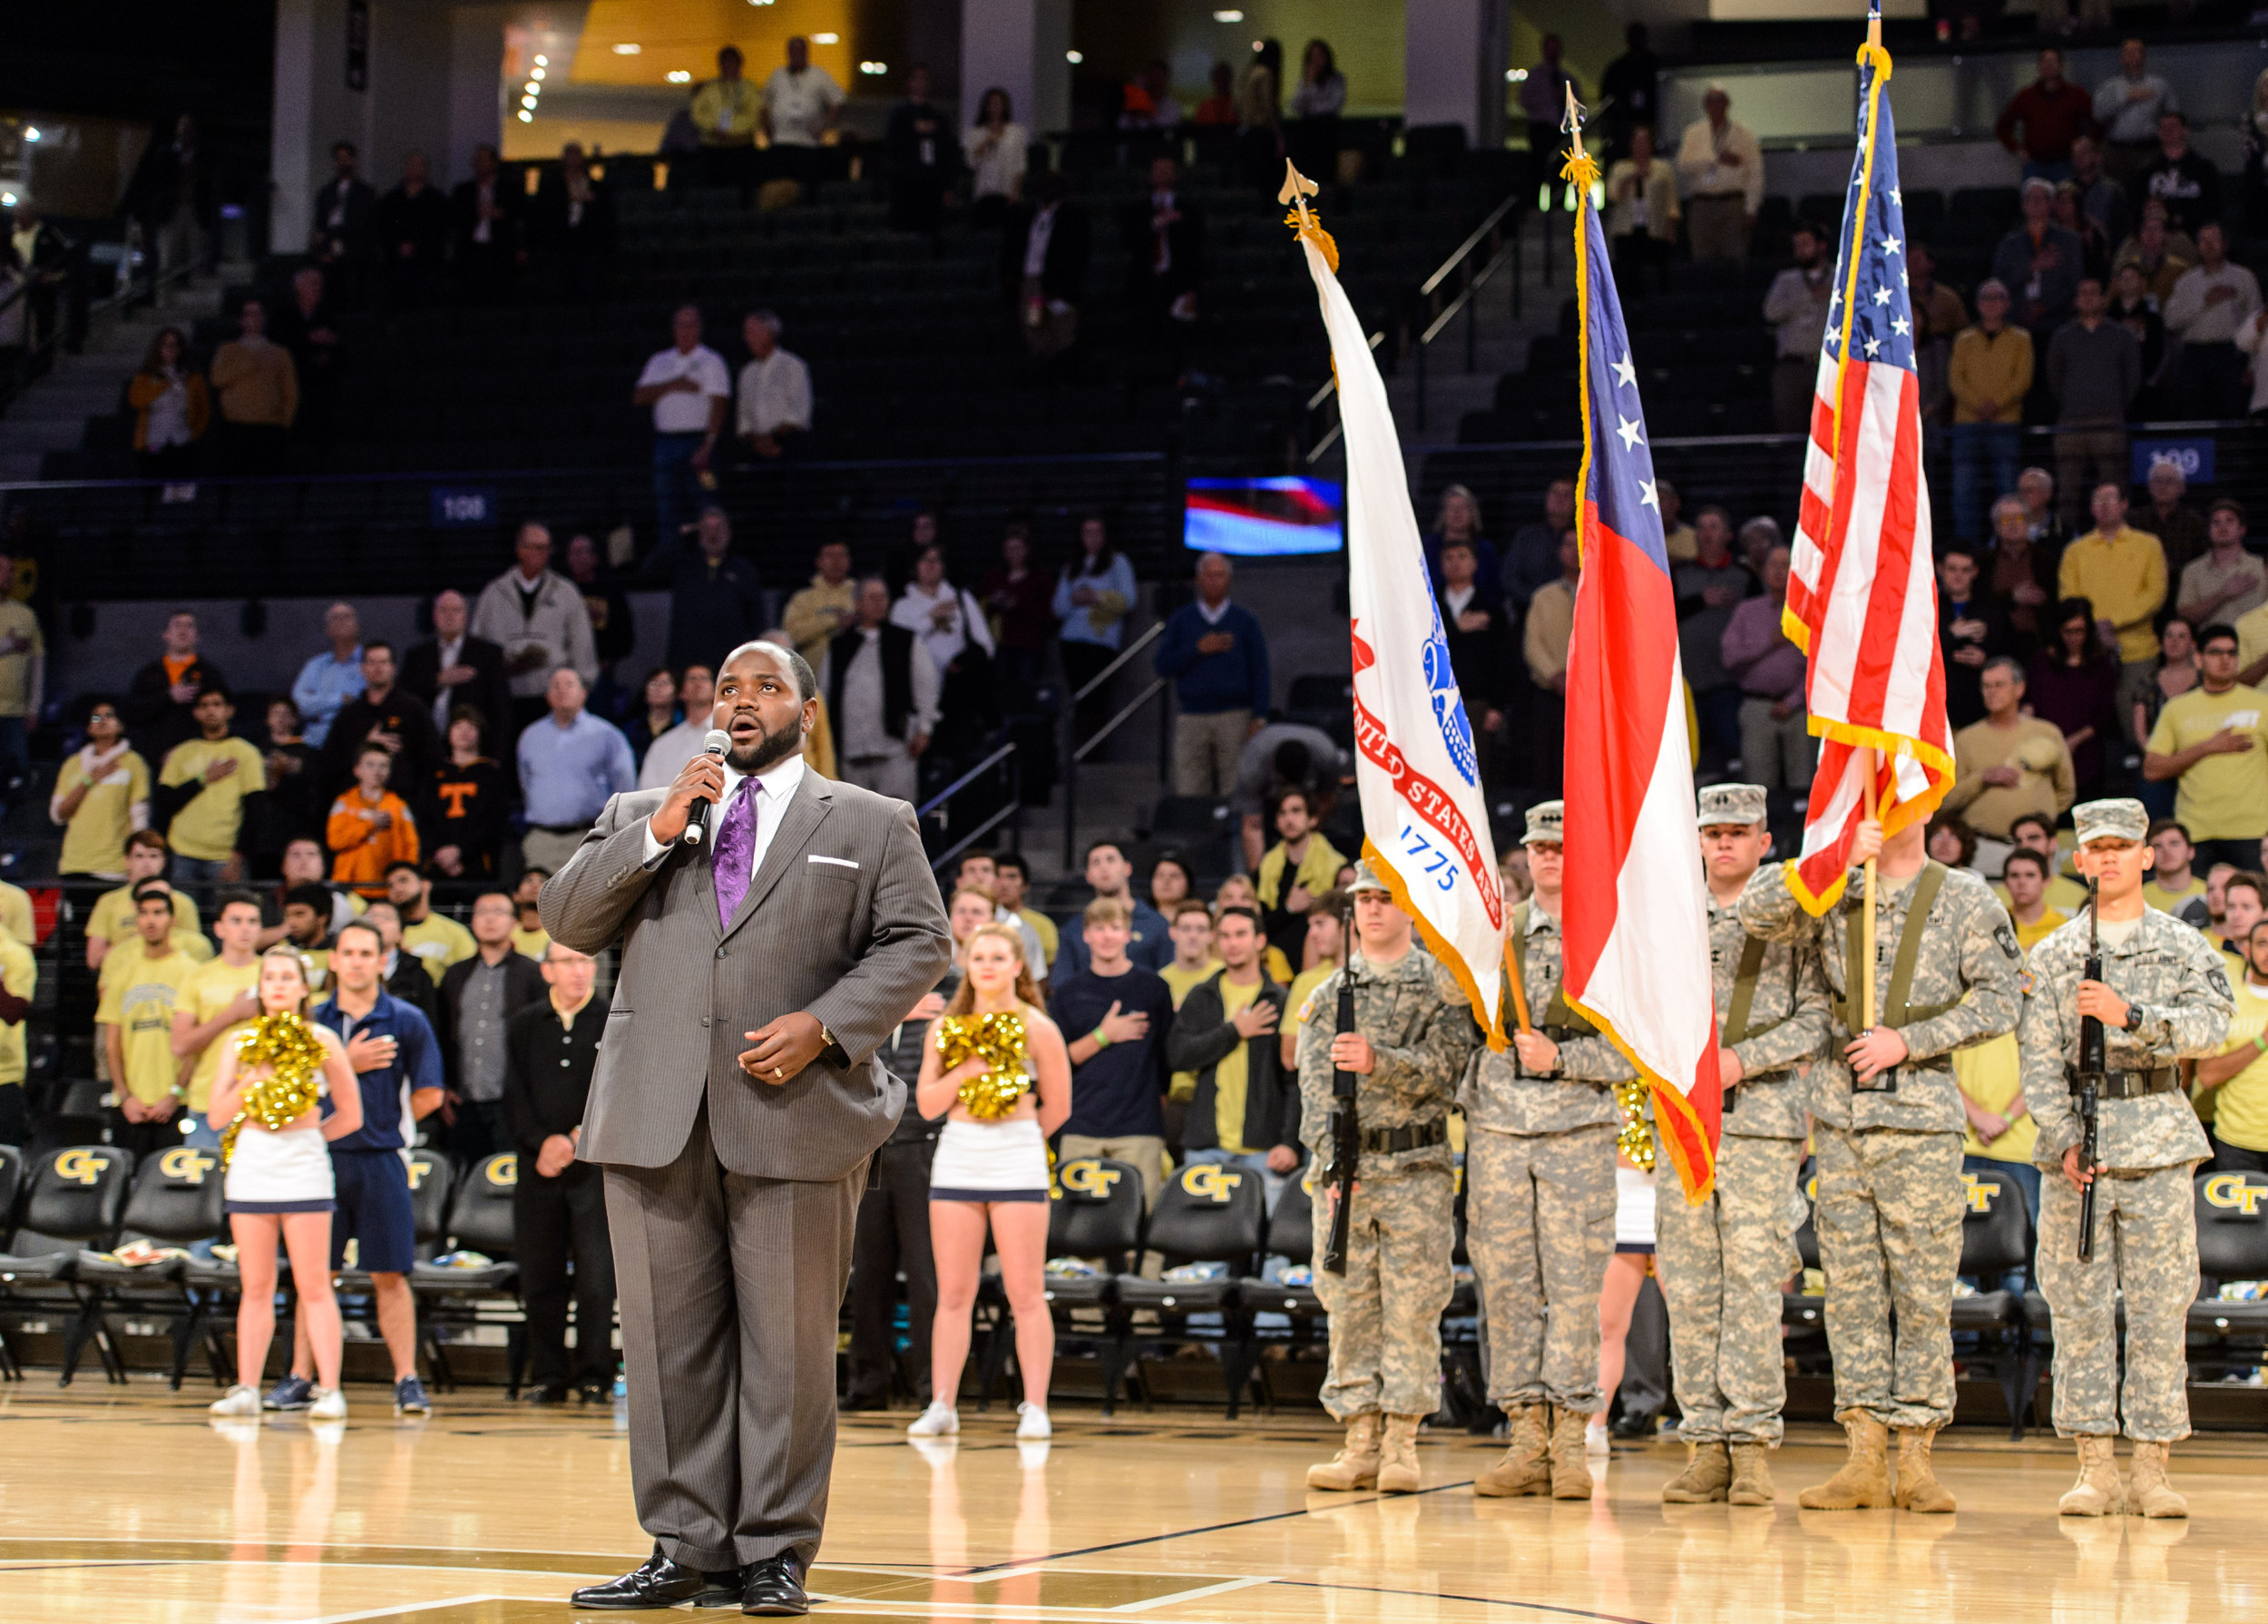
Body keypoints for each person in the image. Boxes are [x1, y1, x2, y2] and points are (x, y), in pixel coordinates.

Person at [542, 638, 953, 1614]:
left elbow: (921, 941)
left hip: (795, 1112)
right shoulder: (644, 812)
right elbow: (567, 918)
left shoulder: (870, 818)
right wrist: (656, 832)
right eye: (726, 685)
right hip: (652, 1116)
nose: (742, 699)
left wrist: (829, 1024)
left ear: (805, 711)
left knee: (789, 1349)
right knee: (664, 1346)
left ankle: (772, 1548)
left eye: (766, 686)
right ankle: (683, 1542)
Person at [1738, 803, 2024, 1513]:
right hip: (1840, 1120)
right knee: (1853, 1293)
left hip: (1920, 1121)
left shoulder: (1963, 896)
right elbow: (1755, 913)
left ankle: (1918, 1455)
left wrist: (1913, 1039)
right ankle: (1863, 1455)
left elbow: (2001, 1004)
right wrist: (1829, 859)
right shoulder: (1836, 890)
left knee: (1923, 1293)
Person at [2019, 797, 2233, 1520]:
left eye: (2123, 846)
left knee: (2158, 1311)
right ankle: (2093, 1467)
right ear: (2077, 861)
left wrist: (2131, 1017)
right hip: (2079, 1153)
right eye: (2095, 847)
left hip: (2158, 1144)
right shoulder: (2050, 956)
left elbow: (2211, 1027)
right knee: (2077, 1311)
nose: (2108, 858)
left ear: (2147, 856)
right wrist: (2063, 1137)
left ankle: (2152, 1466)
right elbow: (2039, 1061)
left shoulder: (2183, 945)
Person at [1653, 786, 1827, 1504]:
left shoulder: (1794, 916)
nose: (1723, 843)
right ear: (1696, 840)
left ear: (1765, 840)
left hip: (1759, 1120)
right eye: (1712, 832)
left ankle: (1752, 1445)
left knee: (1753, 1287)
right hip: (1684, 1125)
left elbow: (1821, 1017)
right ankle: (1704, 1441)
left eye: (1738, 832)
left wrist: (1740, 1061)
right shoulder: (1665, 915)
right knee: (1691, 1288)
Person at [1459, 803, 1627, 1501]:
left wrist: (1566, 1059)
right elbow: (1453, 1005)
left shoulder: (1608, 937)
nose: (1549, 858)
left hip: (1574, 1133)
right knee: (1506, 1291)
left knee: (1574, 1292)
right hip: (1498, 1129)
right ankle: (1524, 1437)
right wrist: (1468, 927)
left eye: (1561, 846)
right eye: (1538, 847)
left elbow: (1641, 1048)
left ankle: (1568, 1442)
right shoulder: (1497, 933)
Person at [1298, 860, 1477, 1495]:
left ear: (1410, 908)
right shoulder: (1328, 994)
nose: (1372, 910)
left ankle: (1402, 1439)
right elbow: (1314, 1091)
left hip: (1417, 1167)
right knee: (1347, 1308)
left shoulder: (1442, 985)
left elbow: (1447, 1070)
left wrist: (1381, 1064)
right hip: (1349, 1172)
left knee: (1413, 1306)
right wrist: (1327, 1167)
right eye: (1363, 899)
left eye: (1385, 897)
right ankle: (1358, 1438)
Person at [267, 917, 441, 1418]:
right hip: (316, 1159)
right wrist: (347, 1061)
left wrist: (383, 1123)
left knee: (391, 1273)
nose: (359, 961)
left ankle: (407, 1378)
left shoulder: (406, 1019)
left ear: (382, 961)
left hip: (382, 1159)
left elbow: (430, 1093)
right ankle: (300, 1376)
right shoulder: (309, 1021)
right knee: (313, 1276)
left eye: (369, 953)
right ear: (334, 961)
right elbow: (283, 1087)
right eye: (349, 952)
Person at [905, 917, 1070, 1443]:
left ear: (1018, 966)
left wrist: (1020, 1139)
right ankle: (942, 1404)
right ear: (966, 966)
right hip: (958, 1155)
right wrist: (965, 1072)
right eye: (979, 958)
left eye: (1000, 958)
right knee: (953, 1293)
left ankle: (1036, 1406)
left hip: (1018, 1155)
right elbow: (928, 1104)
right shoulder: (944, 1028)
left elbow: (1060, 1107)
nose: (989, 967)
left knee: (1026, 1292)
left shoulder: (1039, 1026)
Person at [202, 947, 363, 1422]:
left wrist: (310, 1138)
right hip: (252, 1167)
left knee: (314, 1285)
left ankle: (330, 1390)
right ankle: (247, 1387)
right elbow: (215, 1116)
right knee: (255, 1286)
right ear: (260, 986)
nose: (277, 984)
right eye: (269, 976)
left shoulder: (323, 1039)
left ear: (302, 987)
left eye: (286, 977)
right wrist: (254, 1077)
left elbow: (352, 1115)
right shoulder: (239, 1042)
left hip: (305, 1168)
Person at [501, 939, 614, 1403]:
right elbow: (512, 1093)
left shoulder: (612, 1019)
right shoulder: (525, 1024)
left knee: (595, 1277)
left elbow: (619, 1088)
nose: (578, 971)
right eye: (567, 962)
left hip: (592, 1164)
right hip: (537, 1167)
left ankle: (595, 1374)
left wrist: (575, 1138)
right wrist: (540, 1141)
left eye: (586, 961)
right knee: (540, 1276)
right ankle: (547, 1373)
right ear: (547, 970)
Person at [845, 935, 955, 1412]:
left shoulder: (954, 989)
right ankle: (868, 1385)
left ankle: (935, 1390)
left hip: (923, 1145)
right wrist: (894, 1011)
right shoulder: (866, 985)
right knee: (868, 1272)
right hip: (869, 1147)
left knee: (926, 1273)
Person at [1167, 903, 1299, 1206]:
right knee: (1204, 1248)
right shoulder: (1202, 996)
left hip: (1264, 1150)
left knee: (1271, 1252)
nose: (1232, 943)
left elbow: (1294, 1080)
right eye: (1225, 935)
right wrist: (1234, 1031)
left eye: (1241, 934)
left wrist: (1289, 1142)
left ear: (1260, 940)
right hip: (1206, 1146)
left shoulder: (1279, 1000)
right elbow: (1178, 1056)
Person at [1051, 897, 1174, 1205]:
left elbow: (1166, 1059)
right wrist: (1104, 1035)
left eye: (1115, 927)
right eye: (1099, 928)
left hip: (1139, 1127)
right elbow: (1057, 1062)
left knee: (1141, 1223)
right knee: (1078, 1228)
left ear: (1127, 934)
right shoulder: (1067, 993)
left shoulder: (1154, 988)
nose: (1107, 935)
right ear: (1086, 935)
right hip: (1080, 1125)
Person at [2144, 624, 2268, 874]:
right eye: (2216, 653)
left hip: (2253, 829)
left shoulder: (2262, 704)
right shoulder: (2177, 709)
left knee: (2254, 907)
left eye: (2232, 653)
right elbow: (2152, 769)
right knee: (2197, 910)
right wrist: (2208, 747)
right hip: (2195, 831)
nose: (2225, 660)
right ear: (2198, 659)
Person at [435, 889, 543, 1165]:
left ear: (514, 923)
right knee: (465, 1179)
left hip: (514, 1102)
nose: (489, 919)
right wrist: (445, 1086)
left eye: (499, 912)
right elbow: (443, 1034)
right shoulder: (455, 975)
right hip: (465, 1101)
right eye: (482, 912)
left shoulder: (533, 973)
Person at [96, 885, 202, 1160]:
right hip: (130, 1106)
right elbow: (111, 1044)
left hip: (178, 1103)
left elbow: (197, 1044)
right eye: (143, 913)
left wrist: (175, 1095)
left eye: (158, 912)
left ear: (173, 920)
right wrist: (125, 1096)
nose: (150, 920)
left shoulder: (191, 972)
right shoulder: (122, 973)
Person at [1943, 658, 2078, 865]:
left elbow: (2066, 790)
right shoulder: (1966, 739)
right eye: (1986, 686)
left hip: (2038, 849)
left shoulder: (2047, 733)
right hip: (1984, 848)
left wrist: (2042, 819)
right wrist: (1983, 778)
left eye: (1999, 685)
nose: (1991, 691)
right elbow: (1947, 799)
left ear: (2020, 689)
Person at [1156, 552, 1268, 797]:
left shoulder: (1245, 621)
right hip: (1192, 715)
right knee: (1189, 789)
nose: (1215, 581)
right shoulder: (1181, 620)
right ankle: (1193, 834)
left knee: (1236, 787)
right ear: (1198, 579)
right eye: (1209, 575)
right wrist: (1197, 649)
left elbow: (1260, 670)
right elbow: (1162, 665)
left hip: (1235, 715)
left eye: (1220, 575)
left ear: (1228, 580)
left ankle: (1233, 836)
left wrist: (1259, 715)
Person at [472, 523, 599, 738]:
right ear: (520, 549)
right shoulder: (493, 594)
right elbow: (477, 649)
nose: (543, 554)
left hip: (554, 698)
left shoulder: (566, 593)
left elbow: (582, 648)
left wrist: (580, 690)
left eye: (546, 548)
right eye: (536, 547)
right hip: (504, 700)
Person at [168, 890, 266, 1161]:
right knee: (202, 1199)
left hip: (265, 1105)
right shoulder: (197, 978)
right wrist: (232, 1014)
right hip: (208, 1103)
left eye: (252, 921)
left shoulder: (276, 976)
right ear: (219, 928)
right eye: (236, 921)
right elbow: (179, 1045)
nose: (245, 928)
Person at [2061, 482, 2166, 724]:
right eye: (2098, 500)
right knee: (2086, 720)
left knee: (2137, 722)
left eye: (2111, 499)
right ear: (2091, 509)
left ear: (2124, 505)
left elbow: (2155, 594)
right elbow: (2068, 597)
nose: (2105, 506)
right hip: (2088, 649)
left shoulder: (2148, 545)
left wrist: (2111, 623)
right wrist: (2093, 628)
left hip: (2138, 650)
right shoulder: (2075, 551)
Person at [825, 576, 936, 804]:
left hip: (896, 748)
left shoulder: (906, 640)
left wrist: (924, 728)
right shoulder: (839, 645)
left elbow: (926, 685)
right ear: (857, 603)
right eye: (872, 597)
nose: (879, 603)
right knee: (856, 822)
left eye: (883, 597)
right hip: (852, 749)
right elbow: (825, 692)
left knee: (896, 818)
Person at [518, 667, 635, 875]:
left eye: (569, 684)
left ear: (583, 693)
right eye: (555, 685)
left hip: (588, 836)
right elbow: (526, 784)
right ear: (547, 695)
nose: (562, 690)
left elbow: (625, 788)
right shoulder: (530, 736)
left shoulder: (607, 735)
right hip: (540, 840)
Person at [634, 306, 731, 551]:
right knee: (667, 505)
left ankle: (710, 557)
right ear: (673, 329)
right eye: (681, 324)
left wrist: (708, 444)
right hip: (665, 445)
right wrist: (673, 384)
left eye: (691, 325)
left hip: (699, 443)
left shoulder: (712, 360)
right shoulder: (660, 361)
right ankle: (670, 561)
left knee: (706, 502)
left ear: (699, 328)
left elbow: (720, 404)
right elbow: (639, 396)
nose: (686, 330)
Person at [1720, 543, 1812, 797]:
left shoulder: (1808, 613)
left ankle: (1798, 835)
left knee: (1804, 783)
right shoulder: (1746, 612)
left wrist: (1793, 701)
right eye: (1773, 565)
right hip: (1757, 707)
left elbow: (1820, 663)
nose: (1779, 572)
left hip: (1799, 708)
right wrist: (1769, 642)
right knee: (1758, 786)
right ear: (1762, 570)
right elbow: (1730, 658)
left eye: (1786, 565)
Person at [2048, 284, 2143, 526]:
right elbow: (2054, 378)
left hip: (2109, 423)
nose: (2088, 299)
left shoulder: (2121, 335)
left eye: (2094, 293)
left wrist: (2114, 406)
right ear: (2076, 300)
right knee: (2067, 491)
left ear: (2103, 299)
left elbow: (2132, 378)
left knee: (2114, 488)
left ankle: (2118, 538)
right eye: (2083, 293)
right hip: (2071, 424)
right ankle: (2066, 540)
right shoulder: (2062, 336)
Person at [892, 539, 996, 758]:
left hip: (957, 692)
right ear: (915, 566)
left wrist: (963, 663)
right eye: (925, 560)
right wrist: (931, 619)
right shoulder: (903, 606)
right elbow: (897, 647)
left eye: (936, 560)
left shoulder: (961, 598)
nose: (931, 565)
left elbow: (986, 644)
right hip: (917, 692)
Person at [154, 687, 265, 888]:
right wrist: (203, 779)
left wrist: (238, 855)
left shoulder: (246, 753)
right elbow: (163, 802)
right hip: (182, 853)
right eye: (204, 705)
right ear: (196, 713)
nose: (210, 710)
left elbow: (255, 810)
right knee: (182, 919)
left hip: (226, 857)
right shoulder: (181, 753)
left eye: (217, 704)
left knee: (232, 916)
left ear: (229, 710)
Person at [1949, 283, 2034, 543]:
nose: (1991, 303)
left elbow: (2022, 379)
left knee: (2007, 488)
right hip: (1967, 423)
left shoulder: (2021, 338)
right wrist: (1978, 405)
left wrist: (1997, 404)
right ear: (1977, 304)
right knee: (1963, 490)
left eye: (1998, 298)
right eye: (1986, 298)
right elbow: (1955, 379)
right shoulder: (1963, 339)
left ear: (2007, 304)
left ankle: (2006, 543)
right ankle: (1968, 548)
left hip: (2005, 422)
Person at [642, 504, 765, 675]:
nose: (713, 534)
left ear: (729, 532)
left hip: (729, 663)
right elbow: (649, 570)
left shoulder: (743, 570)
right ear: (698, 532)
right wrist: (679, 536)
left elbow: (757, 620)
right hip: (686, 661)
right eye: (707, 528)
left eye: (718, 528)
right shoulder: (684, 566)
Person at [1676, 510, 1755, 769]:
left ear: (1728, 535)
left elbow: (1763, 617)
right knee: (1690, 759)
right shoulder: (1678, 574)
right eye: (1701, 527)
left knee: (1733, 758)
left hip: (1730, 684)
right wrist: (1701, 600)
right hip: (1688, 682)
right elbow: (1661, 613)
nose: (1706, 533)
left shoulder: (1745, 575)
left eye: (1714, 526)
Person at [318, 641, 439, 799]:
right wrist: (365, 745)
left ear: (394, 668)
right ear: (362, 669)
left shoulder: (413, 709)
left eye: (383, 662)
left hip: (404, 802)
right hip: (356, 806)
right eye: (371, 662)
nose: (377, 668)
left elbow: (432, 757)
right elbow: (329, 764)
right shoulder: (348, 716)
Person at [1052, 514, 1137, 741]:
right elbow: (1058, 607)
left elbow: (1129, 600)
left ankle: (1095, 753)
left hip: (1101, 641)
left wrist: (1097, 597)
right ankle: (1079, 751)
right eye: (1087, 532)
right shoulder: (1072, 567)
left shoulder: (1118, 562)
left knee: (1097, 697)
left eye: (1097, 532)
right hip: (1072, 639)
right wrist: (1075, 599)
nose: (1092, 538)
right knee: (1079, 697)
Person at [2028, 599, 2124, 798]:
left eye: (2079, 631)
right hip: (2045, 748)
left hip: (2087, 751)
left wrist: (2074, 741)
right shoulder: (2042, 661)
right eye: (2068, 631)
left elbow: (2104, 713)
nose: (2074, 638)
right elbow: (2032, 703)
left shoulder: (2100, 663)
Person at [2163, 222, 2258, 418]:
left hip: (2230, 355)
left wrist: (2252, 365)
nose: (2208, 245)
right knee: (2194, 416)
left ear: (2225, 244)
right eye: (2203, 240)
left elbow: (2257, 324)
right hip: (2194, 356)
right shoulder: (2186, 282)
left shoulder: (2244, 278)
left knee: (2232, 415)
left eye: (2214, 239)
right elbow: (2170, 321)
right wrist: (2204, 302)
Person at [2196, 915, 2268, 1170]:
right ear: (2246, 949)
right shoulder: (2227, 1005)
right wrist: (2262, 1041)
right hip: (2237, 1143)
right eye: (2262, 943)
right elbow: (2207, 1074)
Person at [403, 588, 512, 752]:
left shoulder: (487, 654)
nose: (449, 615)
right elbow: (404, 694)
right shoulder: (417, 655)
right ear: (434, 616)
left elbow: (501, 709)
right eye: (443, 610)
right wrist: (438, 680)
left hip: (473, 747)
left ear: (465, 617)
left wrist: (496, 755)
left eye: (456, 610)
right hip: (426, 745)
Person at [52, 699, 149, 881]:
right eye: (96, 717)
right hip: (75, 864)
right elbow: (58, 815)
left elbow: (140, 814)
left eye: (109, 716)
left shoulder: (134, 763)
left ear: (121, 727)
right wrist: (89, 781)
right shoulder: (72, 764)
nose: (103, 720)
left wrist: (137, 860)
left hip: (114, 866)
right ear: (89, 728)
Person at [1000, 168, 1088, 363]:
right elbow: (1011, 249)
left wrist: (1064, 286)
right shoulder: (1026, 215)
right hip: (1034, 287)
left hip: (1059, 288)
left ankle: (1064, 367)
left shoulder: (1073, 217)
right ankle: (1044, 367)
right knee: (1035, 326)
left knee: (1063, 329)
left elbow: (1079, 254)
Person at [86, 829, 208, 970]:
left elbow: (196, 952)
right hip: (122, 976)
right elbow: (94, 960)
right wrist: (134, 943)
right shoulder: (108, 902)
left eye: (153, 856)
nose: (146, 863)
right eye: (139, 856)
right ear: (127, 861)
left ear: (163, 861)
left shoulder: (183, 903)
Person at [1052, 839, 1172, 979]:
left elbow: (1168, 981)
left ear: (1128, 868)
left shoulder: (1158, 924)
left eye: (1111, 860)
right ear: (1088, 876)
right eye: (1096, 862)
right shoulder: (1074, 928)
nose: (1104, 867)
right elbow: (1062, 986)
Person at [1254, 787, 1344, 967]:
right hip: (1275, 964)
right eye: (1282, 813)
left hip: (1322, 964)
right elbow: (1260, 927)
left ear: (1313, 819)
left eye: (1296, 811)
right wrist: (1288, 908)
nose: (1289, 819)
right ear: (1276, 822)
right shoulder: (1266, 869)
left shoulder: (1336, 866)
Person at [207, 298, 297, 474]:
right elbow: (217, 379)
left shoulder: (279, 352)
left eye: (258, 314)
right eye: (249, 314)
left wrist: (283, 422)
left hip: (270, 428)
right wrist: (248, 363)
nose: (254, 318)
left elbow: (290, 392)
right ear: (240, 320)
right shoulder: (227, 350)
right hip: (236, 428)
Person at [1676, 85, 1762, 263]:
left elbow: (1755, 173)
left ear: (1727, 104)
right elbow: (1683, 165)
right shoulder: (1693, 133)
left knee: (1735, 257)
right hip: (1702, 204)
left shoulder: (1743, 133)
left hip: (1733, 203)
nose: (1716, 106)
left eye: (1720, 101)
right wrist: (1713, 159)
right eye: (1712, 102)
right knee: (1702, 258)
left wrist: (1751, 208)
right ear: (1705, 105)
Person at [1765, 222, 1834, 434]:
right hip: (1791, 366)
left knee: (1829, 431)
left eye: (1805, 244)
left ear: (1821, 246)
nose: (1800, 250)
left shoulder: (1838, 276)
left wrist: (1832, 295)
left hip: (1827, 364)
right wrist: (1806, 298)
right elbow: (1771, 312)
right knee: (1789, 428)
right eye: (1796, 245)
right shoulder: (1786, 280)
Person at [1994, 178, 2085, 338]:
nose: (2035, 202)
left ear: (2051, 204)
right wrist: (2032, 267)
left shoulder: (2069, 241)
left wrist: (2044, 307)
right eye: (2030, 198)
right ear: (2023, 205)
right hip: (2017, 321)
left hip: (2058, 322)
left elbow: (2073, 284)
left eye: (2040, 198)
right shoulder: (2009, 244)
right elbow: (2000, 283)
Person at [426, 708, 510, 879]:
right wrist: (441, 853)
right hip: (438, 863)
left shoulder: (491, 774)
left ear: (480, 732)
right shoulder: (434, 775)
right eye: (457, 725)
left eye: (471, 726)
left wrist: (461, 851)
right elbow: (424, 818)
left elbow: (494, 820)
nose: (464, 732)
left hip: (479, 863)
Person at [327, 743, 419, 895]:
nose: (377, 771)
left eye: (383, 766)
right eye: (370, 765)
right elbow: (335, 840)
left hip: (387, 889)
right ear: (357, 770)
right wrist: (370, 825)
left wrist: (404, 880)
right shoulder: (344, 803)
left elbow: (411, 848)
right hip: (349, 888)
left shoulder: (398, 806)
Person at [1942, 541, 2017, 729]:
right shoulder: (1927, 607)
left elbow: (2011, 653)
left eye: (1965, 570)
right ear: (1940, 569)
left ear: (1975, 572)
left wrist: (1986, 660)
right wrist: (1950, 635)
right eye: (1952, 569)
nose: (1958, 576)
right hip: (1939, 713)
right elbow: (1913, 653)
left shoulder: (1992, 611)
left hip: (1982, 714)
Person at [1121, 155, 1204, 324]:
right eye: (1159, 170)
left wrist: (1191, 289)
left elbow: (1196, 250)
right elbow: (1129, 241)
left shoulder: (1188, 210)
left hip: (1177, 280)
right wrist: (1155, 224)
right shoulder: (1138, 210)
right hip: (1145, 281)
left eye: (1168, 169)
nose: (1163, 173)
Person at [979, 523, 1058, 691]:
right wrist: (993, 603)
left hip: (1028, 646)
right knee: (1001, 692)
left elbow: (1050, 614)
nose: (1012, 553)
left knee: (1025, 693)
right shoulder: (994, 576)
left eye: (1017, 548)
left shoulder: (1039, 578)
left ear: (1027, 549)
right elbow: (979, 608)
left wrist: (1018, 605)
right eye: (1008, 549)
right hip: (1000, 644)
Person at [1998, 48, 2096, 181]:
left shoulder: (2076, 95)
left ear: (2061, 66)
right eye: (2045, 61)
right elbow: (2003, 126)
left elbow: (2097, 120)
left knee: (2066, 199)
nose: (2049, 65)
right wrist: (2016, 148)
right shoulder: (2026, 96)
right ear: (2039, 66)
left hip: (2065, 163)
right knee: (2033, 200)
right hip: (2034, 164)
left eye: (2053, 61)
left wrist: (2087, 143)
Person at [884, 64, 958, 235]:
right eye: (916, 78)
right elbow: (891, 147)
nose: (920, 83)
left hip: (932, 185)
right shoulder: (899, 116)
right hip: (906, 185)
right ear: (908, 83)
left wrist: (948, 186)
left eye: (924, 78)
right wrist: (914, 131)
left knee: (931, 231)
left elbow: (948, 153)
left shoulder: (939, 117)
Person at [127, 326, 209, 476]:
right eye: (166, 345)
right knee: (153, 482)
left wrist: (194, 433)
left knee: (180, 487)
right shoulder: (147, 375)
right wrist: (162, 384)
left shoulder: (192, 377)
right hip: (154, 441)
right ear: (158, 347)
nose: (170, 349)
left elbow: (203, 409)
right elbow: (136, 400)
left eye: (174, 345)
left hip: (182, 440)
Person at [1604, 126, 1677, 293]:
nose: (1641, 146)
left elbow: (1671, 201)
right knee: (1627, 272)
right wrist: (1632, 177)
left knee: (1658, 272)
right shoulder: (1620, 168)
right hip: (1627, 228)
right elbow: (1612, 196)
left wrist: (1671, 227)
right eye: (1638, 141)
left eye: (1645, 141)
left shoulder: (1662, 168)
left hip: (1654, 228)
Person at [733, 309, 811, 462]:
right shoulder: (747, 373)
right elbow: (744, 421)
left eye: (752, 332)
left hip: (789, 446)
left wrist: (773, 439)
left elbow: (798, 414)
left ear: (768, 333)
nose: (747, 339)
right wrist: (758, 441)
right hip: (755, 449)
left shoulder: (792, 366)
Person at [376, 149, 450, 308]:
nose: (413, 168)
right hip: (396, 266)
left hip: (427, 267)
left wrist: (418, 247)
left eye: (417, 165)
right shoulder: (392, 199)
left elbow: (440, 231)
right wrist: (398, 247)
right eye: (410, 164)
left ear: (425, 169)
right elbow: (383, 229)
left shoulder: (436, 200)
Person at [450, 142, 522, 305]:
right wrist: (477, 213)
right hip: (472, 252)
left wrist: (500, 214)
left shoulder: (508, 190)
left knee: (499, 299)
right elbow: (455, 219)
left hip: (499, 252)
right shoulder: (464, 191)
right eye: (477, 159)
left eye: (483, 159)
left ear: (494, 163)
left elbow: (518, 217)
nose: (479, 163)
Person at [761, 34, 846, 170]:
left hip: (808, 142)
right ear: (788, 53)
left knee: (807, 181)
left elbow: (837, 100)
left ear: (806, 52)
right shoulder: (777, 75)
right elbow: (764, 103)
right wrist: (768, 129)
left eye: (800, 51)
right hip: (781, 140)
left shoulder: (819, 75)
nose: (796, 55)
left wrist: (824, 127)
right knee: (781, 182)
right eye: (793, 51)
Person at [2178, 501, 2266, 629]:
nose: (2222, 527)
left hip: (2255, 646)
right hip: (2210, 646)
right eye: (2216, 522)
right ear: (2208, 530)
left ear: (2242, 529)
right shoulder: (2192, 570)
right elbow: (2185, 615)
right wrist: (2223, 594)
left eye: (2229, 521)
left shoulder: (2261, 567)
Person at [307, 141, 375, 306]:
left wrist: (333, 234)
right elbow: (320, 224)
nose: (342, 161)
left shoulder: (364, 192)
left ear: (353, 160)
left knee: (352, 299)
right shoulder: (327, 192)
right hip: (329, 256)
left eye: (346, 157)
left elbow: (361, 224)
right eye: (339, 158)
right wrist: (322, 249)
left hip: (354, 257)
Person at [291, 602, 365, 751]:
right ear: (327, 629)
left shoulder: (369, 662)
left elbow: (362, 701)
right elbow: (299, 703)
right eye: (335, 618)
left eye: (346, 617)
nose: (341, 621)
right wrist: (341, 700)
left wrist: (317, 704)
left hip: (356, 744)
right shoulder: (316, 665)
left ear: (357, 626)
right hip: (316, 744)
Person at [690, 45, 762, 191]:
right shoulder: (709, 89)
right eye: (726, 62)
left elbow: (753, 116)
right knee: (713, 190)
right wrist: (714, 128)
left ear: (740, 64)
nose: (729, 66)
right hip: (713, 150)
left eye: (733, 62)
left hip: (741, 149)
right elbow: (697, 114)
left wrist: (731, 132)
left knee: (741, 190)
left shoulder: (748, 89)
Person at [637, 663, 717, 790]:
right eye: (691, 679)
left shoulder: (727, 737)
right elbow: (646, 790)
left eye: (704, 678)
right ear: (682, 693)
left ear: (715, 691)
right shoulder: (663, 743)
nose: (698, 683)